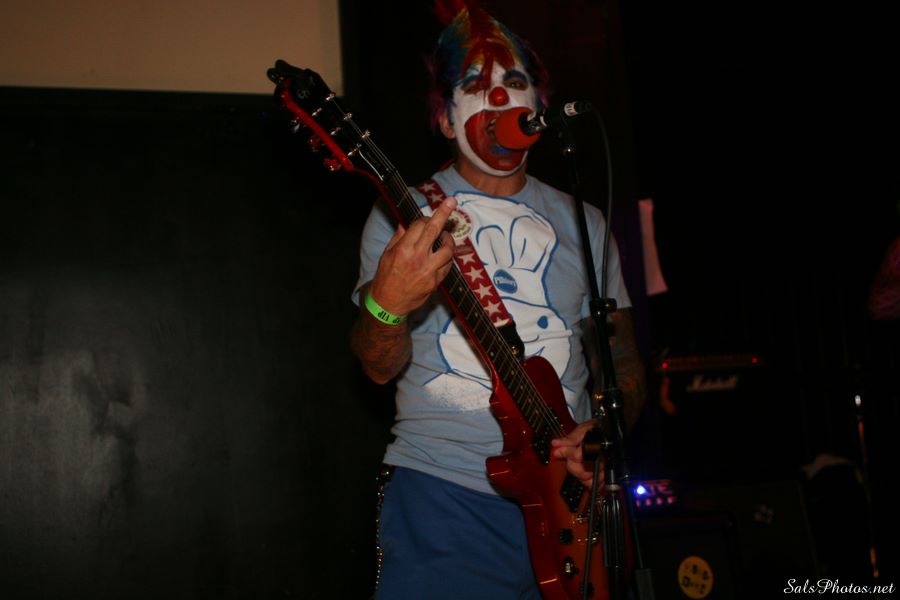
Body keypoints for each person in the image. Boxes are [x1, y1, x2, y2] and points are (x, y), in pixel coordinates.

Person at [350, 1, 646, 598]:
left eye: (514, 81)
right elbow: (377, 366)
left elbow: (624, 366)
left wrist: (603, 432)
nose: (501, 97)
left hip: (569, 505)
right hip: (445, 497)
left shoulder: (586, 223)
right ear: (445, 119)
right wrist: (388, 304)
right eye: (475, 86)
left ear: (539, 104)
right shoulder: (406, 215)